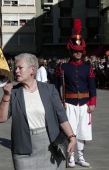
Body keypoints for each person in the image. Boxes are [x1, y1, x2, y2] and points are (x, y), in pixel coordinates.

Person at [0, 53, 76, 170]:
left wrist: (72, 137)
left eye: (20, 68)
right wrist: (6, 96)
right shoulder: (14, 92)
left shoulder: (49, 90)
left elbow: (61, 116)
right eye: (15, 68)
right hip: (24, 148)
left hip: (51, 145)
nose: (16, 71)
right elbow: (0, 118)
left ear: (32, 69)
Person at [55, 19, 97, 168]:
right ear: (71, 51)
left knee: (83, 131)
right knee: (71, 131)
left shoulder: (88, 67)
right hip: (69, 104)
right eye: (75, 51)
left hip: (84, 104)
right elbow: (56, 86)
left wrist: (92, 103)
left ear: (83, 51)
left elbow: (92, 86)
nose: (78, 53)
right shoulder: (63, 67)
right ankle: (70, 157)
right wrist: (60, 102)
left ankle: (80, 156)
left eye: (80, 51)